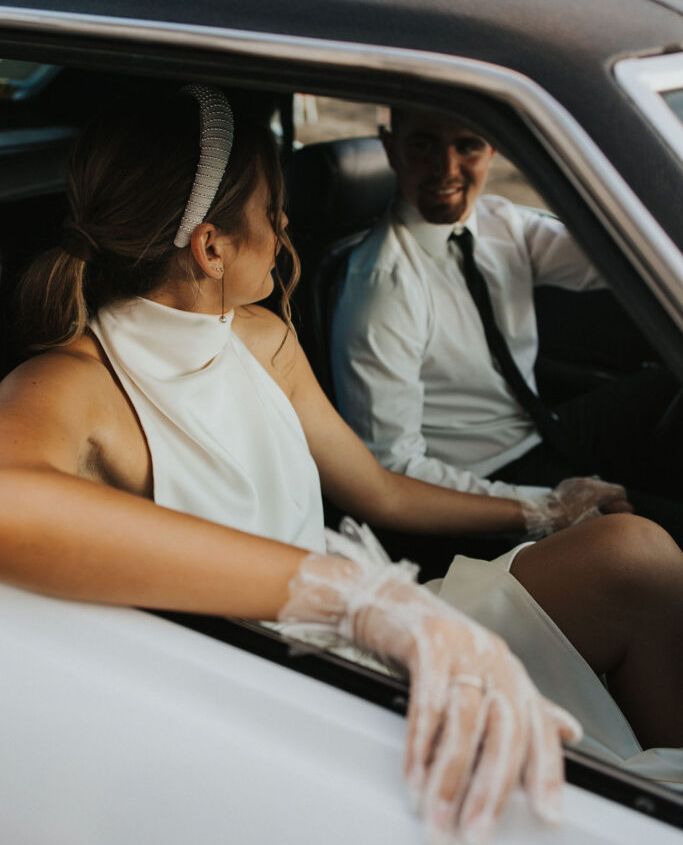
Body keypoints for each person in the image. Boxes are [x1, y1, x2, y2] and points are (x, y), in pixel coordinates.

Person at [0, 88, 679, 841]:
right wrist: (352, 598)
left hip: (379, 622)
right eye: (272, 210)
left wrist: (543, 509)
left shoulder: (259, 336)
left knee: (633, 551)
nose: (286, 226)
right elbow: (9, 503)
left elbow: (379, 491)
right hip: (276, 687)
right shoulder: (69, 383)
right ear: (211, 247)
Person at [331, 106, 683, 543]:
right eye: (423, 145)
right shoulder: (382, 288)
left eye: (467, 146)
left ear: (491, 150)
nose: (446, 168)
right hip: (480, 479)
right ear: (391, 147)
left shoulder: (500, 221)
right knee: (660, 532)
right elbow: (393, 469)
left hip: (539, 427)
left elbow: (617, 260)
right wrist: (546, 508)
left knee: (673, 380)